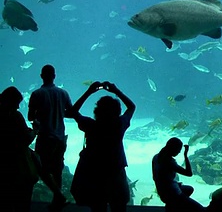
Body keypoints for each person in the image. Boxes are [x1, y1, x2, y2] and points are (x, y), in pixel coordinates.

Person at [68, 81, 135, 212]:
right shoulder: (119, 125)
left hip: (95, 174)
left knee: (98, 207)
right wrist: (116, 91)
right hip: (116, 172)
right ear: (118, 111)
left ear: (97, 110)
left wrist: (89, 91)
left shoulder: (90, 125)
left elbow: (72, 112)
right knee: (119, 207)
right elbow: (132, 107)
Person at [0, 86, 68, 212]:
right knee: (36, 167)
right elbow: (25, 140)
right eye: (16, 103)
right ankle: (57, 194)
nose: (18, 107)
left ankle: (58, 195)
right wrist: (35, 130)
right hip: (18, 164)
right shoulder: (15, 116)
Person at [27, 64, 73, 192]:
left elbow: (30, 117)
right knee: (58, 170)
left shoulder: (36, 94)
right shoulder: (63, 93)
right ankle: (57, 199)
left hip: (44, 137)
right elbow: (70, 112)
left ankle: (54, 196)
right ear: (54, 76)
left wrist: (41, 114)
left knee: (40, 168)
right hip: (59, 138)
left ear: (41, 76)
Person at [152, 137, 205, 212]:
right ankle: (175, 205)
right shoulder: (169, 162)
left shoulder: (156, 157)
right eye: (178, 150)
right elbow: (189, 173)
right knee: (201, 210)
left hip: (162, 192)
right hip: (173, 194)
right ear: (173, 149)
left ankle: (174, 206)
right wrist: (186, 156)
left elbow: (158, 177)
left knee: (189, 189)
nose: (179, 152)